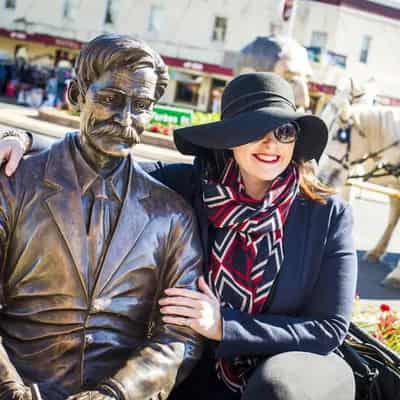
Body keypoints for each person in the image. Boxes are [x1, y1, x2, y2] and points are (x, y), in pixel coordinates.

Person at [0, 72, 357, 400]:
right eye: (255, 129)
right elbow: (100, 161)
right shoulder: (192, 186)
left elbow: (328, 328)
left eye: (284, 132)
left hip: (288, 369)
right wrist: (24, 139)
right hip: (205, 365)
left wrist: (225, 326)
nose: (271, 144)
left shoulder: (327, 215)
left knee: (276, 389)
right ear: (229, 136)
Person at [0, 34, 203, 400]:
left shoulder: (172, 216)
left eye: (140, 105)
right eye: (110, 99)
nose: (125, 118)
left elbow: (179, 335)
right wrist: (10, 390)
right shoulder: (14, 186)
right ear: (76, 95)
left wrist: (117, 394)